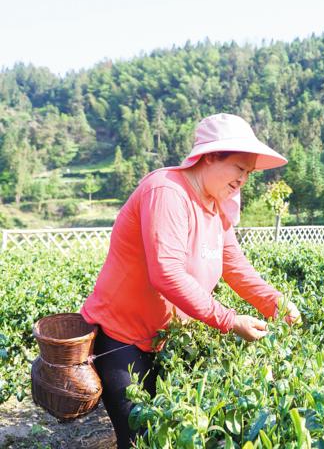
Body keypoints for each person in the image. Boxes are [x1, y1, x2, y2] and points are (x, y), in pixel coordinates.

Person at [80, 113, 300, 448]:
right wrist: (229, 320)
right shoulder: (166, 191)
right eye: (239, 168)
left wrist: (279, 304)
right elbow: (166, 273)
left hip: (169, 339)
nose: (243, 179)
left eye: (249, 174)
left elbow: (236, 268)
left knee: (170, 432)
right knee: (139, 437)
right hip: (123, 338)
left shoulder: (215, 207)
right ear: (211, 156)